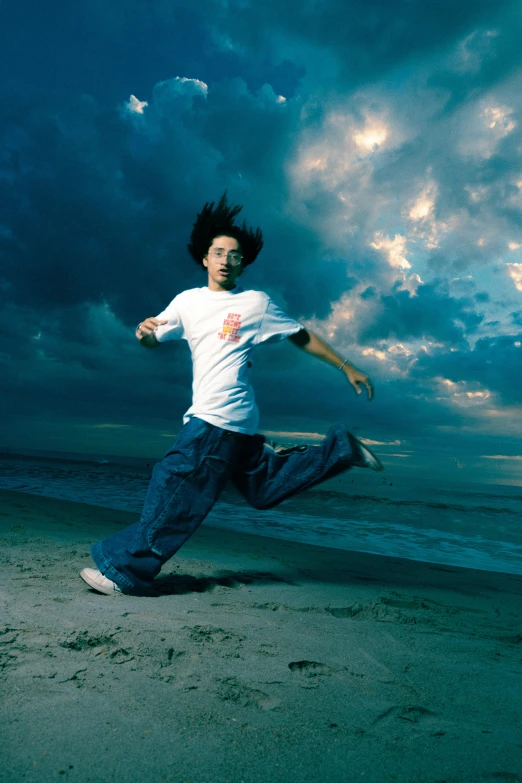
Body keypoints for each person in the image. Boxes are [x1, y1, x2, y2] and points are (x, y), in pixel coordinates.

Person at [80, 194, 382, 596]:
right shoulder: (187, 301)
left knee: (174, 484)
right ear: (204, 258)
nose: (225, 259)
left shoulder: (255, 304)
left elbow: (301, 335)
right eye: (218, 252)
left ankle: (126, 571)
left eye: (234, 255)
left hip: (217, 418)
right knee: (262, 490)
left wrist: (347, 366)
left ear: (243, 263)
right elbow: (154, 338)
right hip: (232, 423)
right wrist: (145, 334)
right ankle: (340, 450)